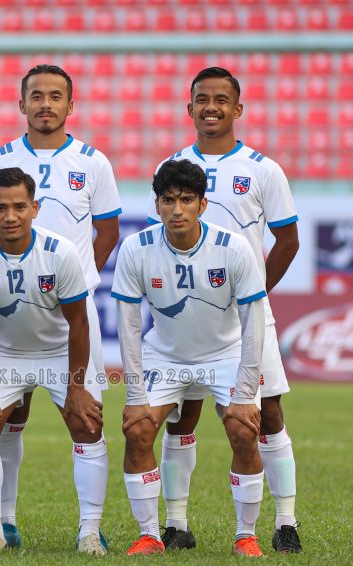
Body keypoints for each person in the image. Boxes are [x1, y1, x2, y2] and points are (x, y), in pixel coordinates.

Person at [148, 67, 302, 554]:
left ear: (237, 109)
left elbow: (288, 240)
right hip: (186, 320)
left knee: (267, 414)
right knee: (182, 417)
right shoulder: (172, 165)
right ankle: (176, 524)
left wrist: (254, 294)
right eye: (202, 99)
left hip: (245, 320)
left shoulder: (263, 169)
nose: (210, 107)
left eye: (220, 99)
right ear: (189, 108)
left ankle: (286, 522)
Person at [0, 63, 121, 548]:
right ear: (22, 104)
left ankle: (90, 530)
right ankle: (3, 522)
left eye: (55, 96)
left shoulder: (93, 162)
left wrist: (74, 283)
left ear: (70, 105)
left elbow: (107, 231)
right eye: (36, 96)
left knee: (86, 420)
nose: (45, 104)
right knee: (3, 420)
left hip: (70, 321)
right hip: (9, 319)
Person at [114, 159, 267, 557]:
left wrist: (245, 394)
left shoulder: (233, 248)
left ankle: (245, 535)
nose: (177, 209)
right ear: (157, 205)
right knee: (137, 429)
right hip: (165, 356)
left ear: (202, 204)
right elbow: (129, 327)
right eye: (168, 200)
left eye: (186, 200)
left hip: (225, 353)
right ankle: (150, 535)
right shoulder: (136, 248)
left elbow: (254, 323)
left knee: (244, 429)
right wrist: (134, 396)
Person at [0, 167, 107, 555]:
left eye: (20, 207)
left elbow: (79, 323)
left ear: (35, 209)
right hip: (5, 353)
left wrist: (77, 387)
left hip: (60, 352)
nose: (10, 216)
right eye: (1, 208)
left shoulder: (61, 252)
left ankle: (90, 532)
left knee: (87, 423)